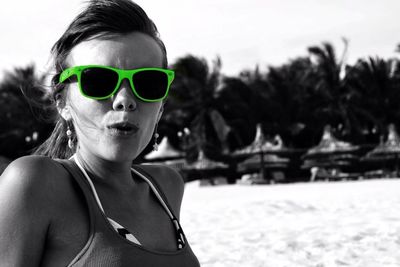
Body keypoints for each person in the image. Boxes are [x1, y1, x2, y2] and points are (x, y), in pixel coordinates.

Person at [0, 0, 200, 266]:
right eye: (98, 81)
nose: (125, 100)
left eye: (148, 83)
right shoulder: (35, 183)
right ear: (62, 101)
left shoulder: (166, 186)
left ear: (161, 107)